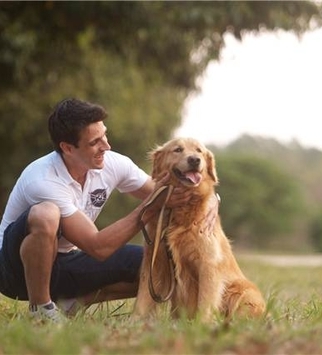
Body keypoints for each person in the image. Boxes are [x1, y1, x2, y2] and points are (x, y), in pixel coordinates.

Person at [0, 98, 193, 324]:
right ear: (68, 148)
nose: (106, 146)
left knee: (158, 266)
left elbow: (165, 193)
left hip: (64, 264)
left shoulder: (111, 163)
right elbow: (98, 247)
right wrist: (150, 207)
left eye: (104, 135)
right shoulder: (43, 180)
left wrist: (211, 200)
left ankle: (70, 305)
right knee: (46, 214)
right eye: (95, 142)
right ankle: (41, 309)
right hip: (14, 271)